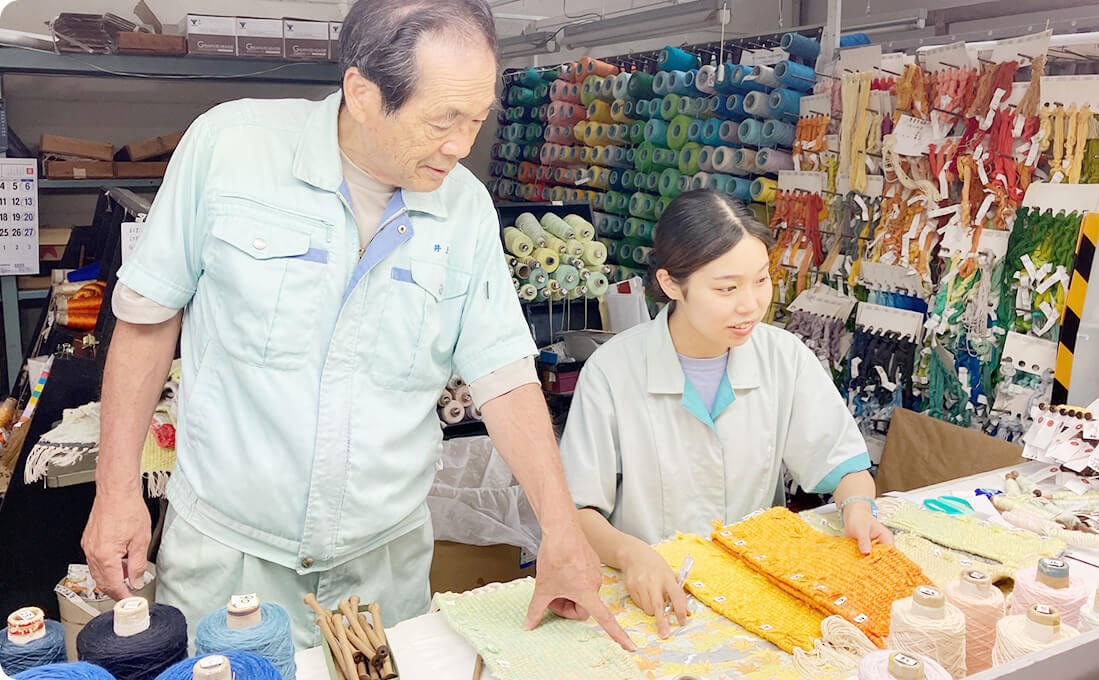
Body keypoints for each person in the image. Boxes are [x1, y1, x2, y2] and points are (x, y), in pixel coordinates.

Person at [81, 0, 632, 651]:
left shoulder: (465, 209)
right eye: (443, 119)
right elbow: (147, 321)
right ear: (362, 93)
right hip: (230, 560)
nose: (462, 145)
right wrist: (116, 489)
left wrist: (561, 528)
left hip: (381, 573)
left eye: (477, 119)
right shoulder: (230, 150)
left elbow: (505, 376)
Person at [559, 189, 894, 637]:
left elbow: (842, 465)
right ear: (671, 284)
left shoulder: (783, 357)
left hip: (757, 588)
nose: (750, 304)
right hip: (651, 594)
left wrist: (857, 507)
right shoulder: (612, 372)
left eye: (761, 280)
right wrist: (630, 554)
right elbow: (579, 508)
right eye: (727, 288)